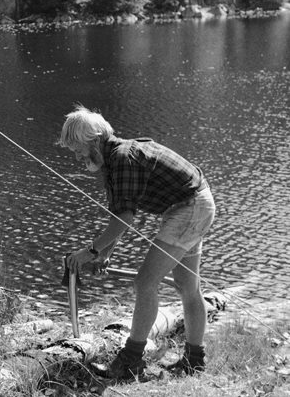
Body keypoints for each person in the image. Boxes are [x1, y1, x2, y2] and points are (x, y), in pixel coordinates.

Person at [59, 104, 216, 378]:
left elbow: (125, 218)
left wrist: (90, 251)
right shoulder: (113, 161)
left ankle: (131, 360)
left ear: (94, 141)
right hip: (197, 203)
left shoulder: (122, 158)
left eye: (78, 148)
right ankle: (194, 360)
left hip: (189, 207)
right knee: (187, 285)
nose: (77, 156)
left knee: (145, 282)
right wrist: (104, 255)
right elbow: (118, 216)